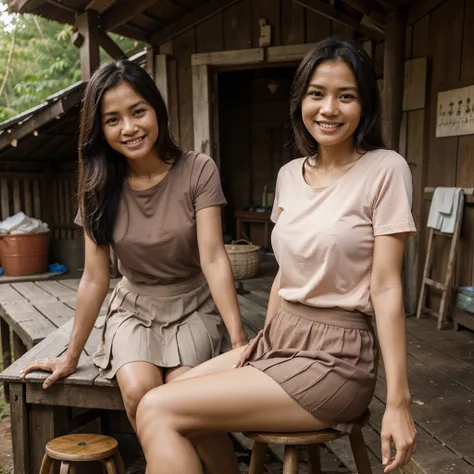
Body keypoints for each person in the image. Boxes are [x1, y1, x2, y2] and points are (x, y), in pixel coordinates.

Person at [135, 36, 417, 474]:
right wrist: (258, 342)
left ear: (365, 106)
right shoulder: (289, 175)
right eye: (317, 94)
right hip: (280, 338)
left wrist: (398, 402)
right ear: (300, 101)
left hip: (336, 358)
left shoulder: (385, 169)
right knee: (174, 387)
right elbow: (285, 274)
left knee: (158, 407)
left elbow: (386, 286)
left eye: (346, 96)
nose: (329, 109)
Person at [20, 59, 247, 474]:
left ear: (157, 110)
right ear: (100, 129)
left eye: (138, 111)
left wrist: (237, 340)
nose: (129, 127)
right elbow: (94, 278)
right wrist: (71, 356)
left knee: (183, 394)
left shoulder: (198, 169)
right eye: (113, 119)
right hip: (134, 309)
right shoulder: (96, 186)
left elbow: (214, 257)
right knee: (140, 390)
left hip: (193, 304)